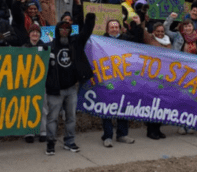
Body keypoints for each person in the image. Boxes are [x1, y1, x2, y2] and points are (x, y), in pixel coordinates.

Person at [46, 14, 95, 155]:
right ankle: (50, 143)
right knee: (52, 118)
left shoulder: (75, 43)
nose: (64, 31)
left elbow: (86, 32)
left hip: (71, 88)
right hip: (54, 90)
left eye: (67, 29)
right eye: (61, 29)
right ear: (57, 31)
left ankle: (69, 142)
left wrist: (90, 18)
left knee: (71, 117)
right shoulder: (49, 46)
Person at [100, 17, 143, 146]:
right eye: (111, 27)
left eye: (116, 26)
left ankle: (122, 134)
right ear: (107, 29)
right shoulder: (101, 41)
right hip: (108, 79)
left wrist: (138, 24)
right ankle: (107, 136)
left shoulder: (126, 39)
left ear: (120, 28)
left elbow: (139, 39)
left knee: (123, 107)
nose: (114, 29)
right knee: (106, 109)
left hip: (124, 80)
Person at [143, 15, 183, 140]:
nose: (160, 33)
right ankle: (151, 130)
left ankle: (158, 129)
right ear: (153, 32)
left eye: (161, 31)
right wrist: (141, 20)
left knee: (161, 105)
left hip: (165, 78)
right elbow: (142, 31)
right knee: (153, 105)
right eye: (158, 31)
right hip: (153, 77)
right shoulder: (150, 39)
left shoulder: (168, 41)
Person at [22, 25, 48, 144]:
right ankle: (29, 132)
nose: (35, 34)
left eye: (37, 32)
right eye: (32, 32)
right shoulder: (23, 47)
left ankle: (43, 131)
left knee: (43, 107)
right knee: (28, 107)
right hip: (27, 83)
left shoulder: (45, 48)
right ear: (29, 34)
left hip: (41, 82)